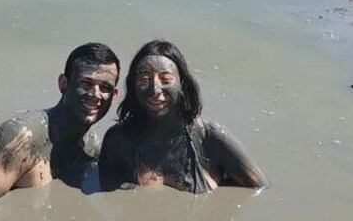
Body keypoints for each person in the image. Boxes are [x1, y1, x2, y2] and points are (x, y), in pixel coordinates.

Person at [99, 40, 266, 194]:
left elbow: (259, 190)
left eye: (166, 79)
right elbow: (108, 199)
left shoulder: (211, 138)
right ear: (133, 86)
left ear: (182, 84)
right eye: (144, 79)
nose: (155, 90)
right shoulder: (117, 141)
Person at [0, 42, 120, 204]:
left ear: (114, 96)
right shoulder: (20, 137)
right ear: (63, 83)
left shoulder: (91, 147)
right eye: (86, 83)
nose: (95, 94)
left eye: (105, 88)